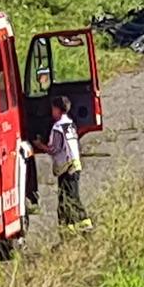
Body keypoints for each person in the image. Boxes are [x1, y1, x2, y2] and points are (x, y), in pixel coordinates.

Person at [33, 96, 92, 231]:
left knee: (68, 199)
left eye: (53, 109)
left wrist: (39, 145)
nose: (52, 112)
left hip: (67, 168)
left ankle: (77, 226)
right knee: (71, 196)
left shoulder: (58, 128)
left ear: (58, 110)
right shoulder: (70, 124)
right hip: (75, 165)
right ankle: (71, 227)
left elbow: (54, 149)